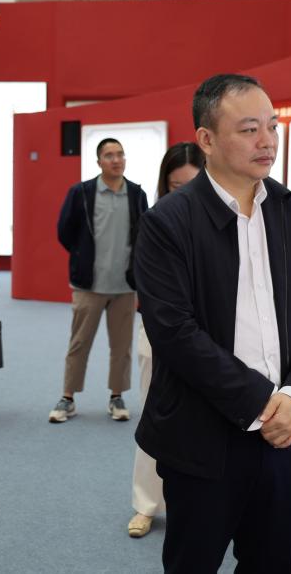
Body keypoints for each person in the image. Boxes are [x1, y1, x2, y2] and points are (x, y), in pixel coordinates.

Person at [134, 74, 291, 573]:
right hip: (202, 437)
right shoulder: (168, 221)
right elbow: (175, 333)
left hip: (284, 434)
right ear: (206, 139)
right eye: (249, 129)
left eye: (272, 126)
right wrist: (263, 402)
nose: (267, 141)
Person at [127, 141, 204, 539]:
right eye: (177, 186)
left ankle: (197, 503)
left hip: (211, 338)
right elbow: (133, 276)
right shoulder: (153, 220)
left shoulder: (227, 222)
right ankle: (145, 504)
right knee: (154, 416)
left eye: (193, 184)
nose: (185, 194)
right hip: (160, 334)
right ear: (164, 185)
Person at [49, 138, 149, 423]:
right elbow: (64, 231)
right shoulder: (81, 192)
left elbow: (144, 234)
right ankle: (68, 398)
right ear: (99, 162)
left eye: (120, 154)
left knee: (121, 348)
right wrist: (82, 257)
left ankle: (116, 396)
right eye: (109, 155)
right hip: (88, 285)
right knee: (79, 343)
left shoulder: (136, 194)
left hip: (124, 286)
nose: (116, 160)